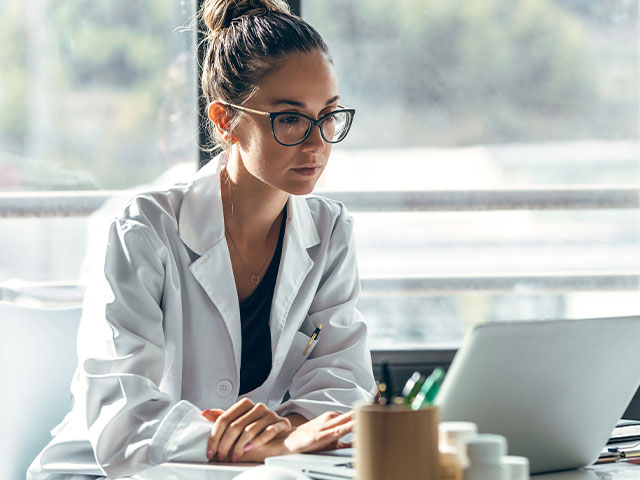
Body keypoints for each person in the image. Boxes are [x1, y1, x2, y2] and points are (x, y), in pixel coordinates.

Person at [27, 0, 375, 478]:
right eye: (290, 119)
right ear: (224, 120)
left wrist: (287, 432)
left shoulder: (330, 231)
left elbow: (343, 379)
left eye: (329, 115)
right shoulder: (143, 229)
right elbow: (124, 418)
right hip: (110, 470)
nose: (317, 143)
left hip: (248, 465)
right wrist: (262, 444)